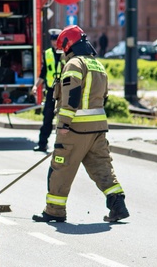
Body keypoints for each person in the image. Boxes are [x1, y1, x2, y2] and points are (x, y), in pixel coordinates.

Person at [32, 25, 130, 224]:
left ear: (69, 45)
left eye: (64, 49)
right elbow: (104, 97)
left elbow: (71, 96)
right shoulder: (97, 65)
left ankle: (55, 210)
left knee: (61, 168)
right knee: (102, 167)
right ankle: (118, 205)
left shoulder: (74, 65)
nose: (64, 54)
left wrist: (64, 124)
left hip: (75, 128)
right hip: (98, 128)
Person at [33, 29, 63, 152]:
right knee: (47, 118)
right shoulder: (48, 53)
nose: (55, 43)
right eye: (53, 40)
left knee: (63, 119)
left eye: (57, 40)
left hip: (64, 91)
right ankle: (42, 144)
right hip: (51, 91)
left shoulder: (67, 53)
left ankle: (63, 146)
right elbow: (44, 72)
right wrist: (36, 86)